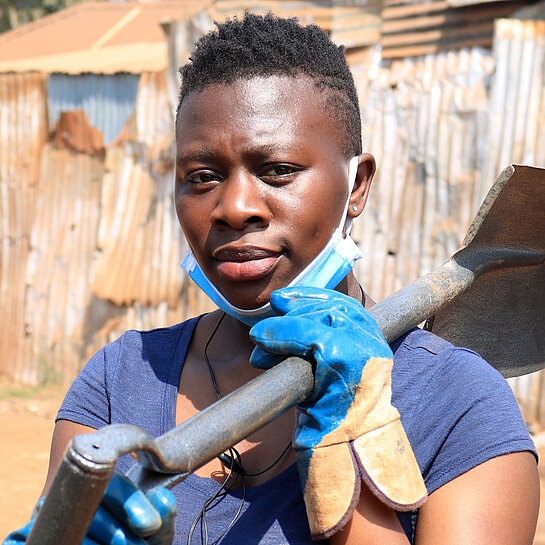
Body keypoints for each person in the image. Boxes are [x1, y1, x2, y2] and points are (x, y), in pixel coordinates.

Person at [3, 12, 540, 545]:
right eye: (202, 177)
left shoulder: (458, 405)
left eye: (278, 170)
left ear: (358, 185)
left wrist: (352, 430)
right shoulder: (121, 381)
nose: (234, 208)